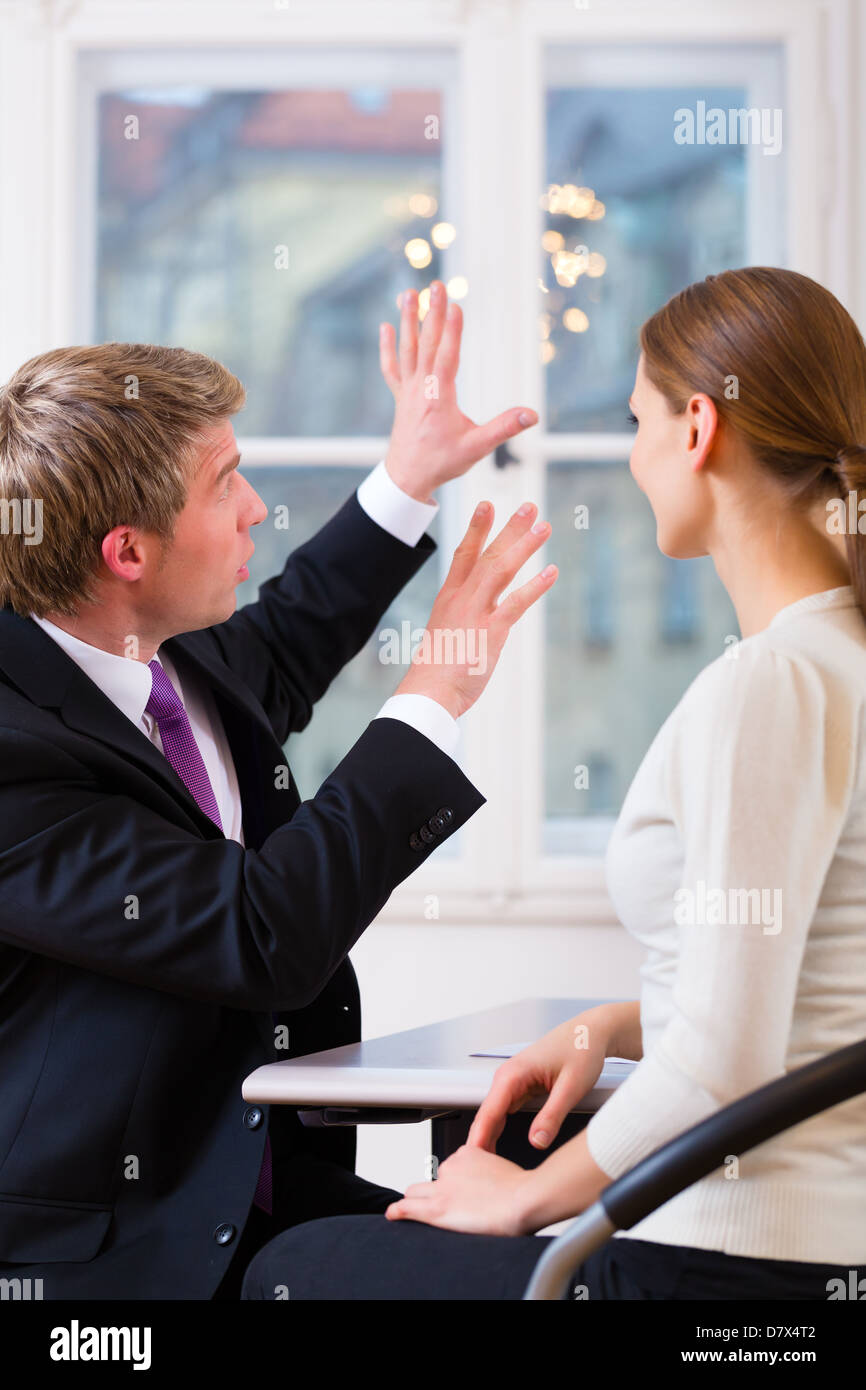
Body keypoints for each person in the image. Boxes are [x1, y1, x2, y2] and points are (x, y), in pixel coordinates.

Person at [240, 266, 866, 1300]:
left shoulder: (767, 685)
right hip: (800, 1244)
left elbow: (718, 1066)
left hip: (733, 1259)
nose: (628, 455)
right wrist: (608, 1028)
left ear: (697, 428)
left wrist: (527, 1203)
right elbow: (800, 982)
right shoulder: (834, 660)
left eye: (634, 420)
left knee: (291, 1270)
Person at [0, 281, 558, 1299]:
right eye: (227, 483)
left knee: (551, 1243)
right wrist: (432, 689)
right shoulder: (11, 753)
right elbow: (259, 929)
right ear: (127, 551)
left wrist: (408, 476)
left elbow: (292, 633)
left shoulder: (155, 648)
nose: (257, 506)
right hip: (129, 1253)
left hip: (268, 1187)